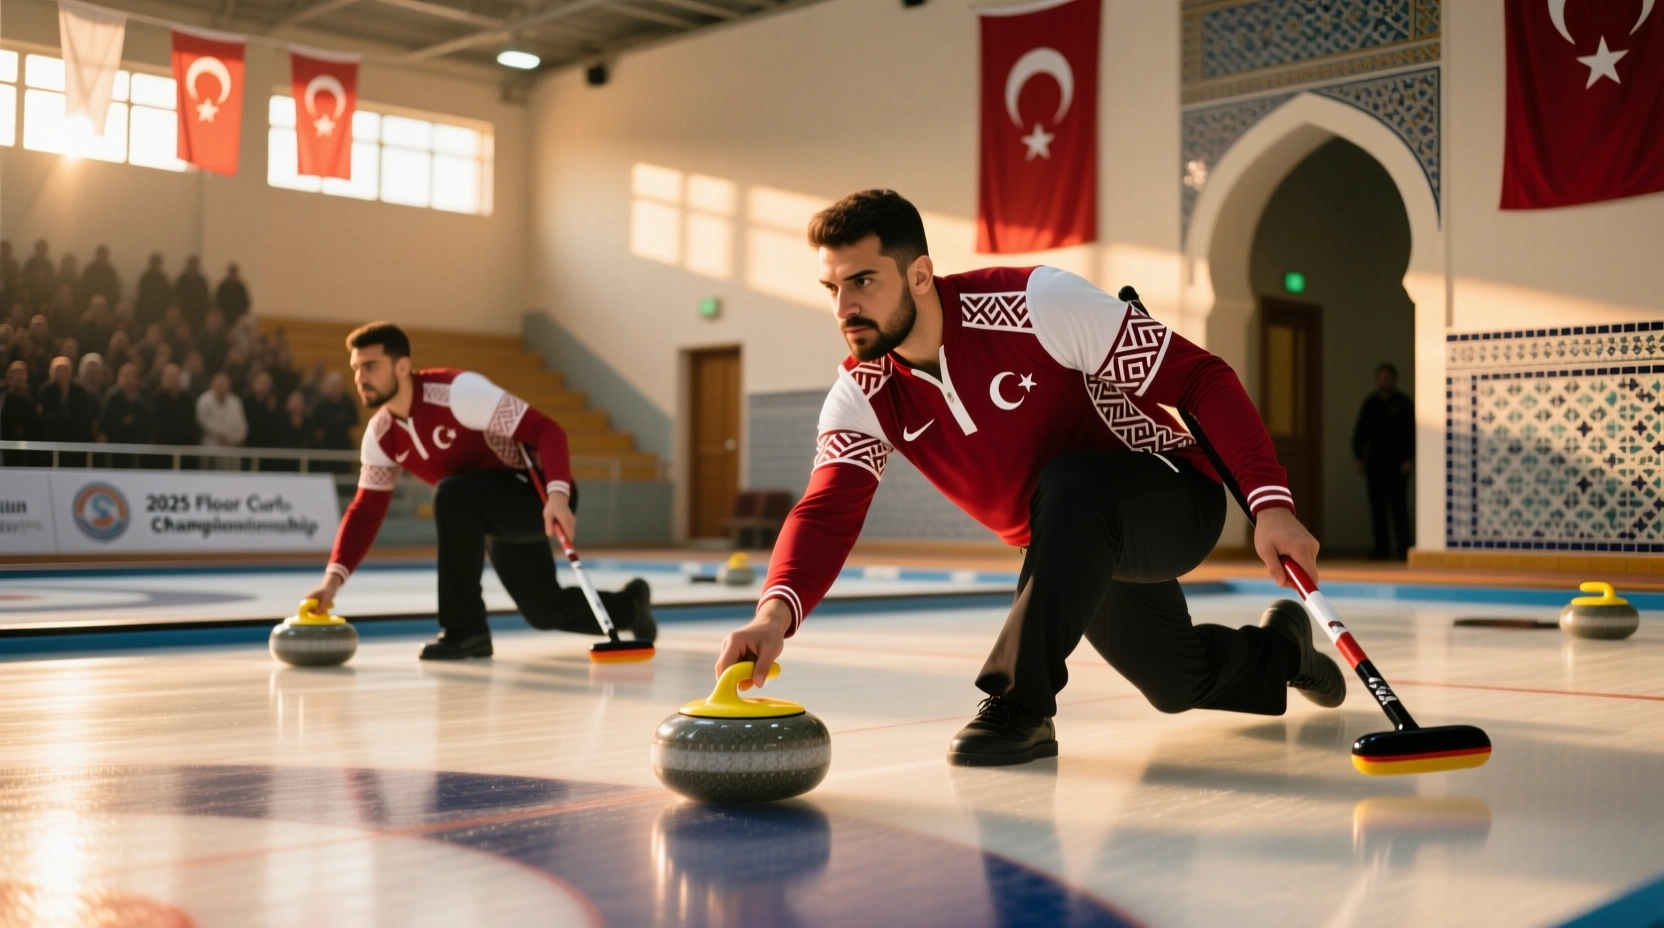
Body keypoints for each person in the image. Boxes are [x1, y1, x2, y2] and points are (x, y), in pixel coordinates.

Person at [711, 190, 1339, 767]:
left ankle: (1020, 706)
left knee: (1070, 484)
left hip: (1171, 493)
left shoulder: (1037, 305)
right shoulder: (864, 393)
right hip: (1069, 542)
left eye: (863, 282)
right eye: (832, 288)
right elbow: (825, 513)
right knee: (1177, 684)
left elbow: (1201, 378)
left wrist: (1271, 505)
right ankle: (1283, 648)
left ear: (920, 274)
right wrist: (773, 615)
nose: (845, 308)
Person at [300, 322, 658, 661]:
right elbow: (365, 512)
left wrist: (559, 496)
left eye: (371, 366)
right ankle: (631, 606)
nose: (360, 378)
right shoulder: (381, 436)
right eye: (356, 368)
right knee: (543, 610)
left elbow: (547, 431)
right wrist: (332, 583)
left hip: (538, 493)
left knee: (451, 494)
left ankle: (465, 631)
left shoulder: (458, 393)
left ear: (402, 366)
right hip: (483, 507)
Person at [1352, 362, 1414, 560]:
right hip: (1375, 464)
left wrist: (1409, 458)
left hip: (1397, 464)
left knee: (1398, 508)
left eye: (1387, 378)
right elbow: (1360, 433)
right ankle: (1381, 549)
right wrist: (1358, 457)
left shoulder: (1403, 403)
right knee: (1377, 508)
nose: (1384, 381)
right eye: (1381, 377)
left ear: (1394, 380)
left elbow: (1412, 433)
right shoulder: (1370, 404)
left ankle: (1404, 548)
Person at [38, 355, 97, 466]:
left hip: (76, 440)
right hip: (51, 439)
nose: (62, 373)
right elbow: (41, 416)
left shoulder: (80, 392)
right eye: (58, 369)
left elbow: (85, 416)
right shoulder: (45, 391)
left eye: (65, 369)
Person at [99, 362, 151, 466]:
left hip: (136, 448)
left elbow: (146, 421)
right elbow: (105, 421)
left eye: (133, 376)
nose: (130, 380)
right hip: (114, 447)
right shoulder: (112, 397)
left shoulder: (142, 397)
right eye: (127, 376)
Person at [196, 371, 247, 468]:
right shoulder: (204, 401)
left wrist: (233, 440)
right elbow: (202, 421)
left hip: (230, 450)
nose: (221, 387)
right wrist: (220, 436)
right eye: (219, 384)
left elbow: (242, 427)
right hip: (209, 450)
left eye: (224, 384)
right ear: (212, 385)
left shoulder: (235, 402)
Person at [2, 359, 42, 465]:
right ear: (9, 375)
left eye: (21, 372)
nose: (18, 376)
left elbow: (37, 417)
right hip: (6, 441)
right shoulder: (3, 394)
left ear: (26, 375)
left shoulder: (33, 394)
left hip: (29, 442)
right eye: (15, 372)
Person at [151, 364, 200, 450]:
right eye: (169, 376)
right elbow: (154, 422)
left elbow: (190, 422)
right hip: (162, 445)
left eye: (175, 376)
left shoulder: (187, 398)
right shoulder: (157, 397)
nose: (172, 380)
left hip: (183, 444)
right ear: (163, 378)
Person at [136, 254, 172, 328]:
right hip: (145, 313)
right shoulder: (145, 278)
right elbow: (141, 296)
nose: (155, 264)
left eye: (157, 262)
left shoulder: (163, 279)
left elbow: (167, 296)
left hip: (159, 313)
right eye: (154, 262)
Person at [175, 256, 211, 330]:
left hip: (198, 315)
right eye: (191, 264)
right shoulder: (182, 280)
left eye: (194, 264)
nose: (192, 266)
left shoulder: (202, 281)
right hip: (183, 313)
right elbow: (176, 296)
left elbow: (206, 298)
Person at [22, 241, 54, 311]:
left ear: (46, 251)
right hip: (30, 295)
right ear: (36, 250)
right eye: (39, 249)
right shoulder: (30, 263)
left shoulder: (49, 265)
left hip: (44, 296)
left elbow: (52, 283)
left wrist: (48, 302)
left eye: (43, 249)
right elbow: (24, 278)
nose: (41, 251)